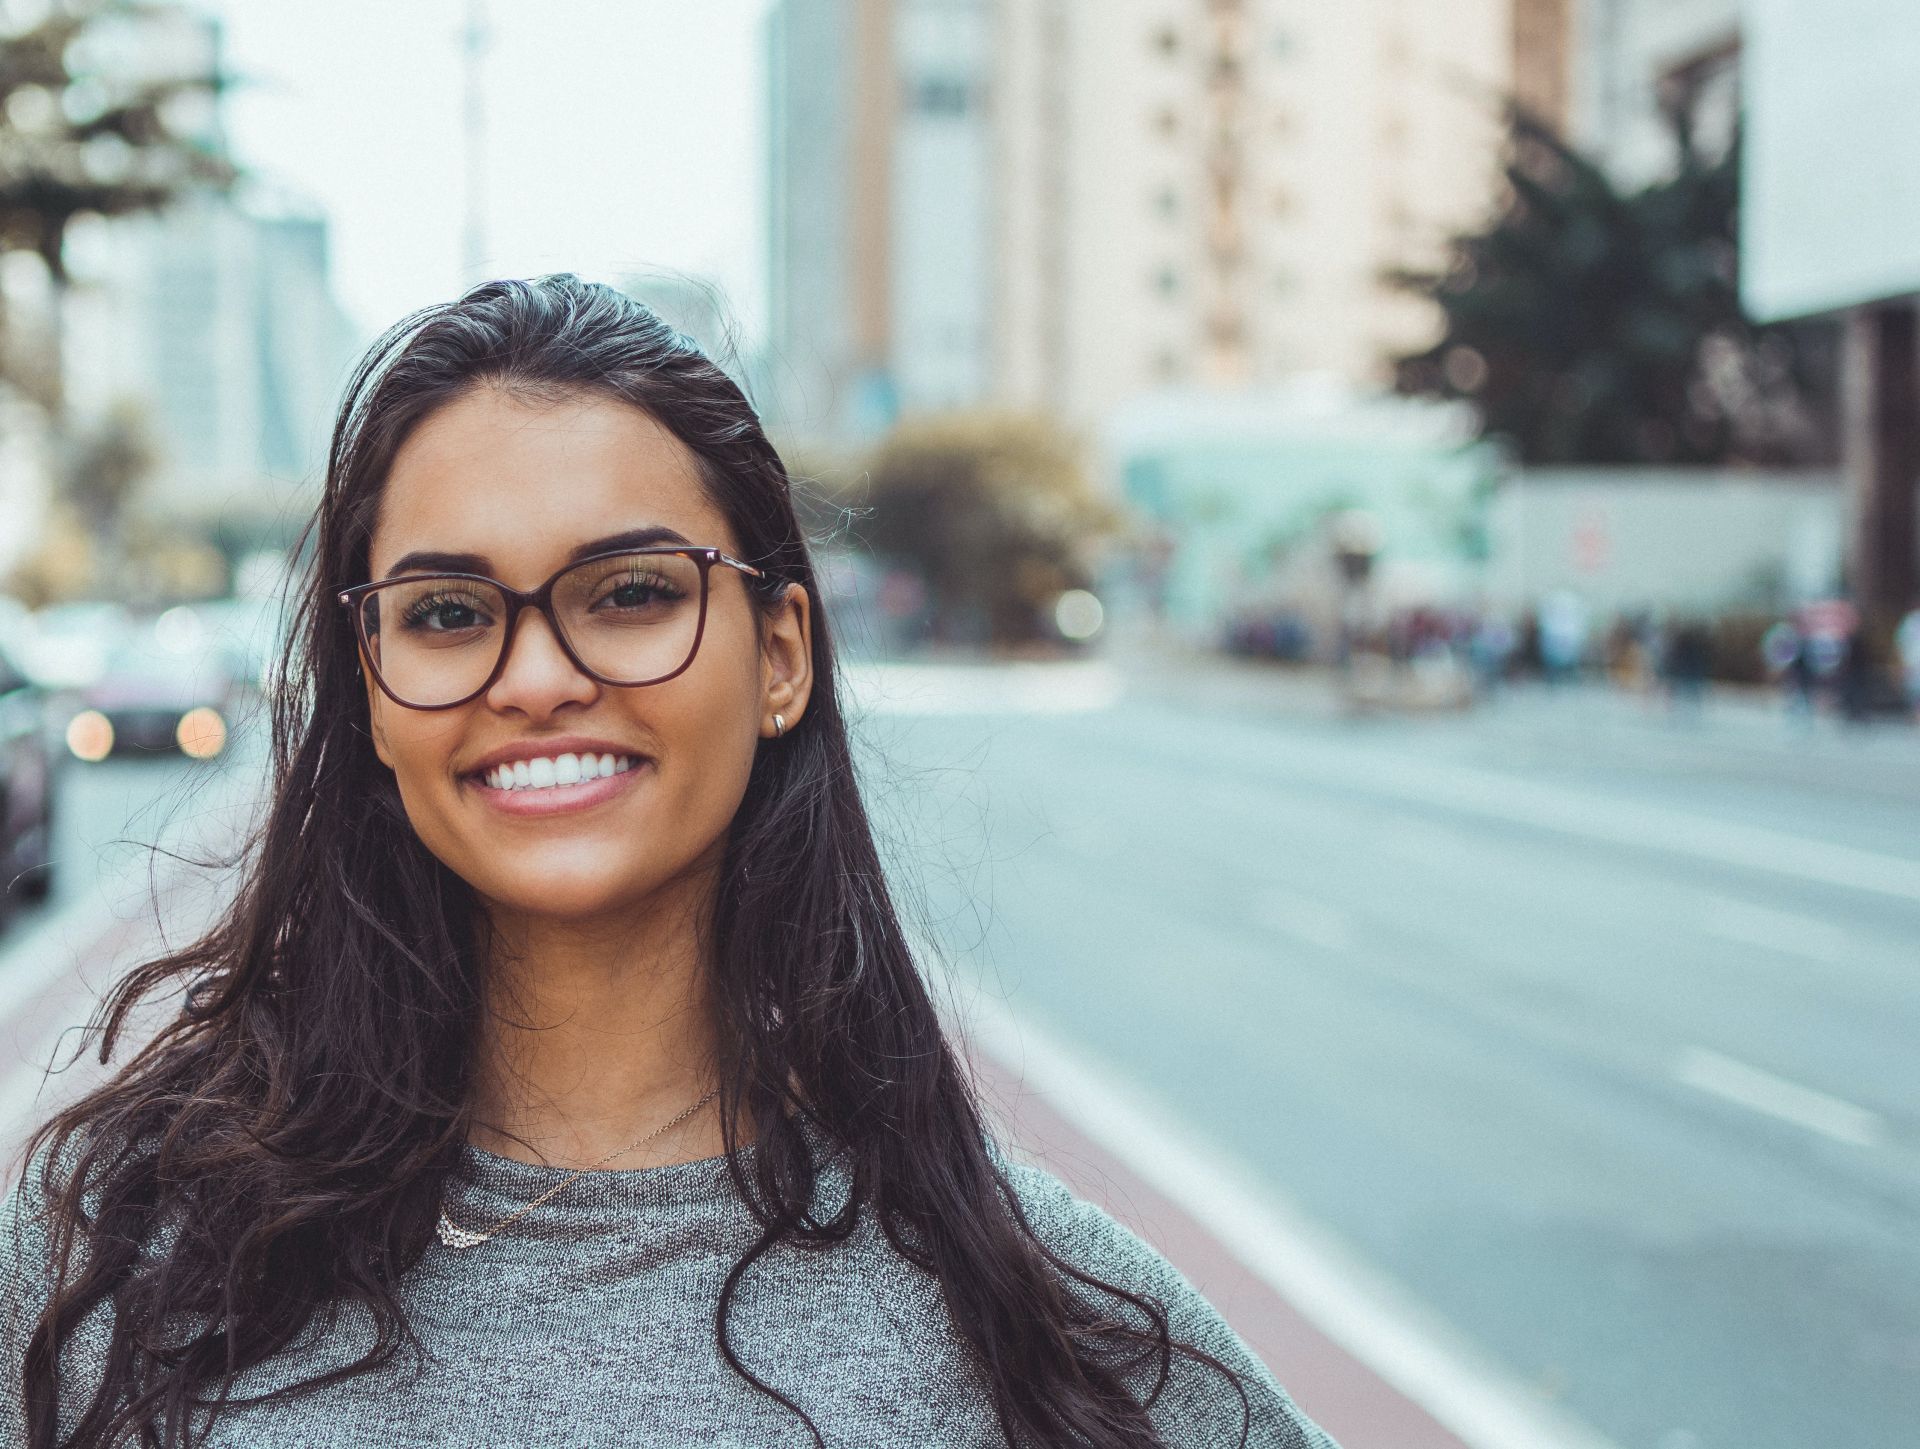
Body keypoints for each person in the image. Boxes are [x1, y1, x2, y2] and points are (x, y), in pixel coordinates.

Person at [1, 276, 1338, 1449]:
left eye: (631, 591)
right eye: (451, 612)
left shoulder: (1053, 1327)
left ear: (779, 655)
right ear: (371, 681)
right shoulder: (102, 1259)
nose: (534, 678)